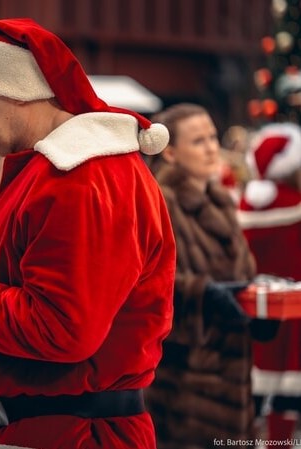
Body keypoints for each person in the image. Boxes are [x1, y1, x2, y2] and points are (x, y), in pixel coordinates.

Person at [0, 18, 176, 449]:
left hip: (76, 433)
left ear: (21, 91)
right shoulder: (58, 172)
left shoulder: (81, 177)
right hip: (50, 427)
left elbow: (62, 326)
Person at [144, 103, 258, 447]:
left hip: (232, 379)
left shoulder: (219, 201)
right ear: (172, 153)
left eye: (213, 137)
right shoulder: (160, 201)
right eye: (199, 141)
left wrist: (258, 310)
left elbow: (240, 274)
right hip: (184, 387)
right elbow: (149, 284)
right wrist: (203, 294)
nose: (212, 147)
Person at [237, 122, 301, 443]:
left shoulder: (245, 203)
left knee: (260, 385)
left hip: (257, 306)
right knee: (291, 386)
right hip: (295, 307)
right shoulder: (296, 202)